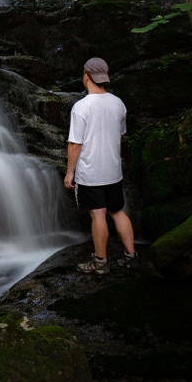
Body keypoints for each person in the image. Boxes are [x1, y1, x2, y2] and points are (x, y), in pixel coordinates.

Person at [63, 57, 138, 274]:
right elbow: (121, 134)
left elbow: (75, 144)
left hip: (91, 173)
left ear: (86, 76)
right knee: (117, 211)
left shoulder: (81, 107)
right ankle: (131, 256)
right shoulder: (118, 103)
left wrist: (70, 173)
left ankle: (99, 262)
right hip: (113, 171)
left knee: (97, 215)